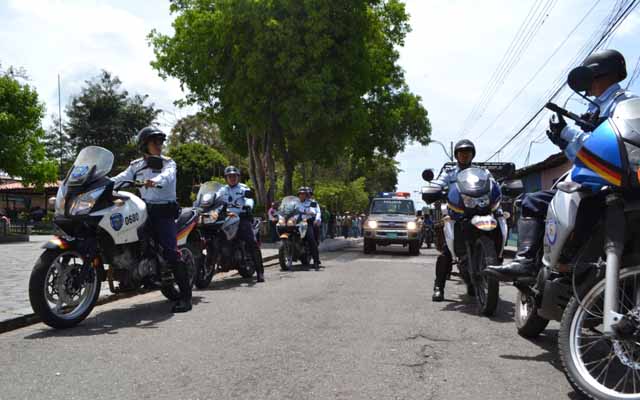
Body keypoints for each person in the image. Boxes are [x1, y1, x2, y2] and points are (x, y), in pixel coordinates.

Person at [486, 49, 635, 281]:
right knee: (539, 200)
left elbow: (602, 151)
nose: (587, 88)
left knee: (532, 202)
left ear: (599, 75)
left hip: (609, 188)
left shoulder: (622, 105)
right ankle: (540, 262)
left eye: (589, 79)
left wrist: (568, 132)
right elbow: (588, 158)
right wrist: (564, 143)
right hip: (603, 183)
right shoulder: (602, 107)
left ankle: (525, 261)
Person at [112, 126, 192, 313]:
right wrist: (102, 183)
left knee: (171, 252)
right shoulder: (136, 165)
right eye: (154, 141)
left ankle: (186, 298)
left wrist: (155, 181)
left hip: (164, 211)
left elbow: (168, 176)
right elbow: (120, 178)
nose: (159, 145)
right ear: (144, 144)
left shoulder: (168, 163)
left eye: (160, 141)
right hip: (143, 209)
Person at [431, 139, 482, 302]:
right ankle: (439, 286)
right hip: (456, 213)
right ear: (457, 155)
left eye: (468, 152)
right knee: (447, 251)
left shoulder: (480, 173)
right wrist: (435, 188)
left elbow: (491, 183)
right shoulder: (450, 173)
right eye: (461, 153)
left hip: (477, 212)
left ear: (472, 155)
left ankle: (476, 282)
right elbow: (439, 182)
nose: (465, 155)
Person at [215, 166, 265, 282]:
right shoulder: (222, 190)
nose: (232, 178)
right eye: (229, 176)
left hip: (241, 217)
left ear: (238, 177)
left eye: (234, 176)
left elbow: (249, 199)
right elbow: (215, 200)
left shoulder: (243, 188)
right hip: (226, 218)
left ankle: (260, 272)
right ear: (226, 178)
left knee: (251, 242)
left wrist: (248, 206)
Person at [297, 187, 321, 269]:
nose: (302, 195)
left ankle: (316, 261)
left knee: (311, 239)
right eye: (300, 194)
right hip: (295, 222)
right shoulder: (295, 203)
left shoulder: (311, 202)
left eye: (304, 194)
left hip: (306, 222)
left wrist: (307, 212)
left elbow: (314, 211)